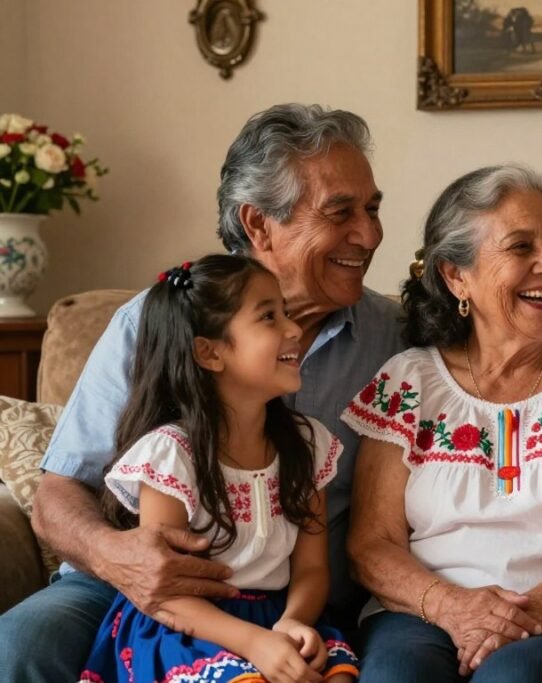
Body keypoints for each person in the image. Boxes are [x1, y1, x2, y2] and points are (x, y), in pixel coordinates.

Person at [0, 104, 404, 682]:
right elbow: (59, 490)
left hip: (294, 601)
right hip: (135, 591)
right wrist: (117, 557)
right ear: (259, 224)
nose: (369, 234)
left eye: (372, 209)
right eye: (341, 212)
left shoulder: (396, 339)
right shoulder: (156, 322)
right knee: (18, 647)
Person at [343, 164, 542, 682]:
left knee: (514, 678)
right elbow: (371, 543)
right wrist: (454, 608)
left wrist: (540, 605)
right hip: (420, 613)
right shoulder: (409, 380)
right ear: (455, 275)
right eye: (521, 248)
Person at [78, 255, 358, 682]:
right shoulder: (171, 456)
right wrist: (255, 644)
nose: (294, 329)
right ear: (209, 353)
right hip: (189, 626)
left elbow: (312, 570)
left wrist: (292, 623)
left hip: (276, 615)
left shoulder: (307, 444)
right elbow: (165, 593)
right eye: (269, 316)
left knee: (334, 676)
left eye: (285, 311)